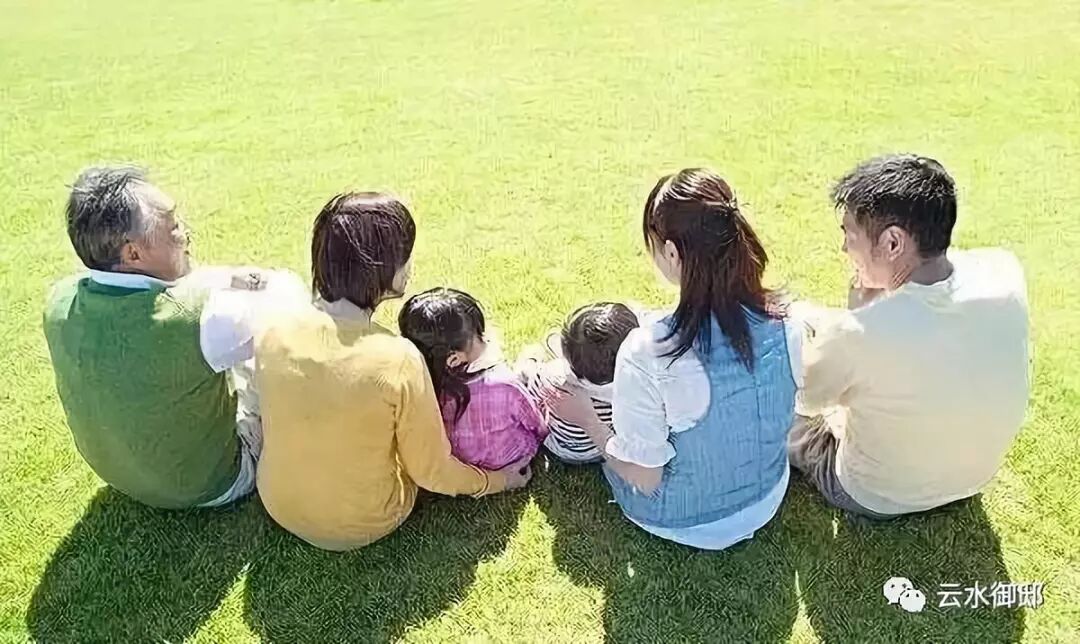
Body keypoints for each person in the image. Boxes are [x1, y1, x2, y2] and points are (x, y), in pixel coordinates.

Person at [255, 193, 531, 551]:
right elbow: (432, 472)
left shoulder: (273, 329)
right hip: (366, 521)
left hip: (277, 503)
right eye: (405, 255)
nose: (410, 265)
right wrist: (499, 481)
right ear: (378, 267)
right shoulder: (397, 358)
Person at [554, 168, 800, 550]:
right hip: (768, 495)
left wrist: (589, 421)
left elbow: (645, 478)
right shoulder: (788, 321)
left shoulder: (647, 351)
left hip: (684, 520)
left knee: (619, 456)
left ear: (671, 252)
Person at [42, 166, 302, 509]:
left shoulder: (59, 300)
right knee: (274, 352)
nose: (185, 233)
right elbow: (290, 303)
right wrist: (258, 280)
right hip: (214, 482)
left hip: (118, 473)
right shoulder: (205, 317)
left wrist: (217, 280)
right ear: (133, 254)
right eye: (174, 225)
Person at [789, 154, 1030, 518]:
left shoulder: (859, 332)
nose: (844, 249)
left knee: (781, 416)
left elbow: (806, 400)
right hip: (974, 479)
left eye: (849, 235)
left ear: (892, 243)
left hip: (878, 495)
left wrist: (858, 316)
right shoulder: (1003, 271)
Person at [399, 288, 546, 470]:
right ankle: (530, 362)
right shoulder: (504, 384)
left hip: (460, 465)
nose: (486, 339)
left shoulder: (419, 389)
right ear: (454, 359)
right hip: (512, 458)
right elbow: (537, 425)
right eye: (479, 337)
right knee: (531, 370)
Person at [518, 302, 640, 464]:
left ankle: (532, 360)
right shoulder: (630, 392)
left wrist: (531, 368)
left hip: (558, 446)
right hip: (598, 450)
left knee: (529, 370)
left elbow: (530, 395)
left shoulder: (552, 378)